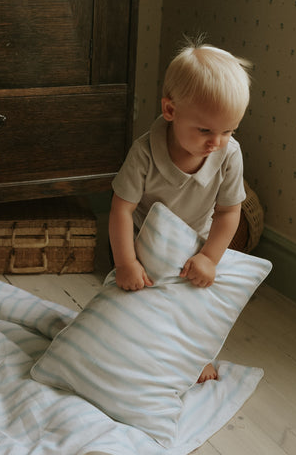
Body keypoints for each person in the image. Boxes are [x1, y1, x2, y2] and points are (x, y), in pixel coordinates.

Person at [108, 37, 252, 383]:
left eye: (228, 131)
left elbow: (229, 212)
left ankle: (195, 357)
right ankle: (130, 352)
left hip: (195, 242)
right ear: (171, 111)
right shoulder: (144, 153)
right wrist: (126, 263)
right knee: (133, 305)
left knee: (198, 308)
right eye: (205, 130)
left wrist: (210, 257)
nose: (215, 142)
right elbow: (121, 210)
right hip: (145, 244)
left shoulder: (228, 154)